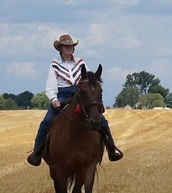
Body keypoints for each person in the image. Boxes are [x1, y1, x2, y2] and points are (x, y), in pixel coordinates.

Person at [27, 34, 123, 166]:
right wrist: (54, 99)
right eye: (66, 46)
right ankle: (37, 152)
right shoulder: (55, 64)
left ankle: (111, 149)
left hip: (79, 93)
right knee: (47, 120)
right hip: (62, 93)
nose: (69, 48)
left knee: (101, 120)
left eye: (71, 46)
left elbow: (90, 80)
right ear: (60, 48)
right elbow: (50, 85)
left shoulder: (80, 62)